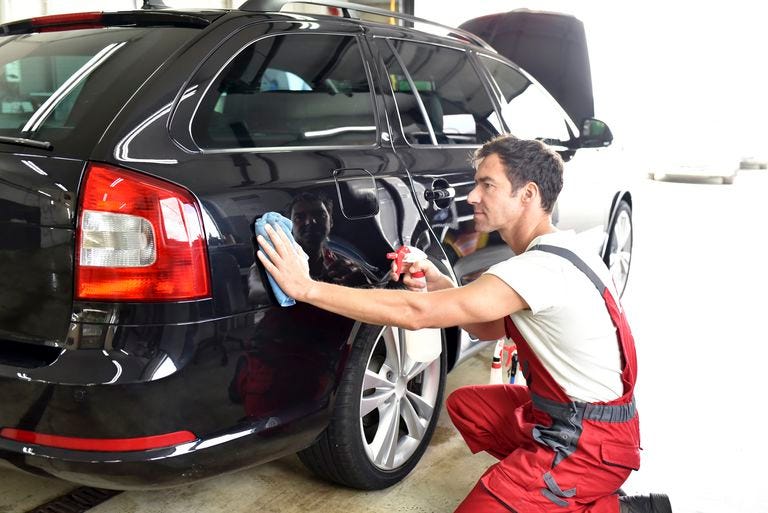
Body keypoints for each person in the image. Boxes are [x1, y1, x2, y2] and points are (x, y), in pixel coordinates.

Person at [257, 135, 671, 513]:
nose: (472, 195)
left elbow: (416, 314)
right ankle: (551, 494)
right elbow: (488, 328)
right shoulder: (559, 253)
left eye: (487, 184)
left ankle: (603, 506)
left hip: (588, 443)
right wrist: (441, 283)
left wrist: (306, 287)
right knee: (468, 408)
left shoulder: (540, 271)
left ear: (527, 194)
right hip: (582, 421)